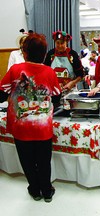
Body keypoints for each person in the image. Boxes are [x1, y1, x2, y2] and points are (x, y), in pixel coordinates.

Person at [0, 33, 62, 202]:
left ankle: (34, 190)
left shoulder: (15, 70)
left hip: (21, 127)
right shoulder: (49, 72)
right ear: (44, 54)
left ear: (24, 52)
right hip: (43, 128)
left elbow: (1, 92)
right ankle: (47, 191)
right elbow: (57, 97)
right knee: (43, 160)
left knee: (27, 160)